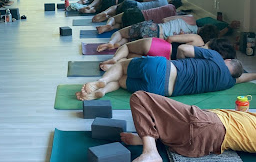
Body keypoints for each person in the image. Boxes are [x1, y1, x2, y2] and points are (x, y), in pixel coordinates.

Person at [120, 91, 256, 162]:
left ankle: (150, 151)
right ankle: (152, 139)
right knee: (165, 117)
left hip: (206, 125)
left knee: (139, 98)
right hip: (201, 139)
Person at [76, 42, 256, 101]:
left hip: (164, 68)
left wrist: (181, 61)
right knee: (122, 81)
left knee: (122, 66)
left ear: (227, 60)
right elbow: (243, 78)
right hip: (161, 90)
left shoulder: (216, 57)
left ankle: (102, 81)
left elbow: (184, 48)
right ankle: (103, 91)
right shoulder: (227, 82)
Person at [99, 33, 223, 69]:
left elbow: (171, 39)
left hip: (163, 47)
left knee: (127, 47)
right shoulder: (208, 61)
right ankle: (115, 65)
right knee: (131, 57)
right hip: (165, 62)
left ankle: (114, 59)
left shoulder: (198, 39)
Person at [95, 15, 201, 52]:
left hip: (154, 28)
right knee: (129, 41)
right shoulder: (194, 38)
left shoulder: (189, 18)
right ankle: (117, 45)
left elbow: (164, 20)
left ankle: (111, 42)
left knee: (121, 33)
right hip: (156, 41)